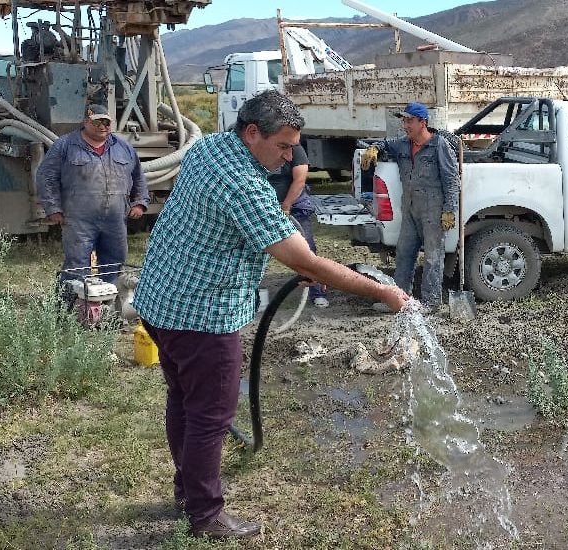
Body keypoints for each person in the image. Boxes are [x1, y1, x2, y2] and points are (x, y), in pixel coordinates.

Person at [131, 90, 408, 540]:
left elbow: (222, 231)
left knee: (184, 400)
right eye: (282, 145)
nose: (288, 157)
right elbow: (308, 262)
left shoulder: (208, 149)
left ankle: (187, 492)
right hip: (202, 316)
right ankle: (205, 515)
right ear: (253, 132)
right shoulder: (245, 184)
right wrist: (385, 292)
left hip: (162, 300)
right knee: (210, 416)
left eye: (293, 147)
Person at [360, 101, 459, 309]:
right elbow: (386, 143)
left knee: (433, 257)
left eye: (410, 121)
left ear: (423, 122)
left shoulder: (439, 145)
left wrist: (450, 210)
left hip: (433, 211)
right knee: (404, 253)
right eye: (404, 121)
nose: (405, 125)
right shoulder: (403, 144)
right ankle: (398, 300)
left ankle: (430, 303)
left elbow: (452, 180)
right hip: (411, 209)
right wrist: (374, 148)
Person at [36, 104, 147, 284]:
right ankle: (71, 304)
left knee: (115, 262)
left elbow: (138, 176)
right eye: (97, 122)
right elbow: (46, 177)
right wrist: (53, 208)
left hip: (115, 219)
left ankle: (109, 303)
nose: (103, 126)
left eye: (106, 122)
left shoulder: (124, 147)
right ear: (86, 122)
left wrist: (140, 202)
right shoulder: (65, 145)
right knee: (77, 265)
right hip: (78, 221)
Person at [269, 144, 328, 308]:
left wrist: (286, 205)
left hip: (294, 207)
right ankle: (253, 297)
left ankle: (317, 293)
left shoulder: (295, 148)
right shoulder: (259, 149)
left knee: (307, 250)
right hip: (265, 207)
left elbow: (300, 179)